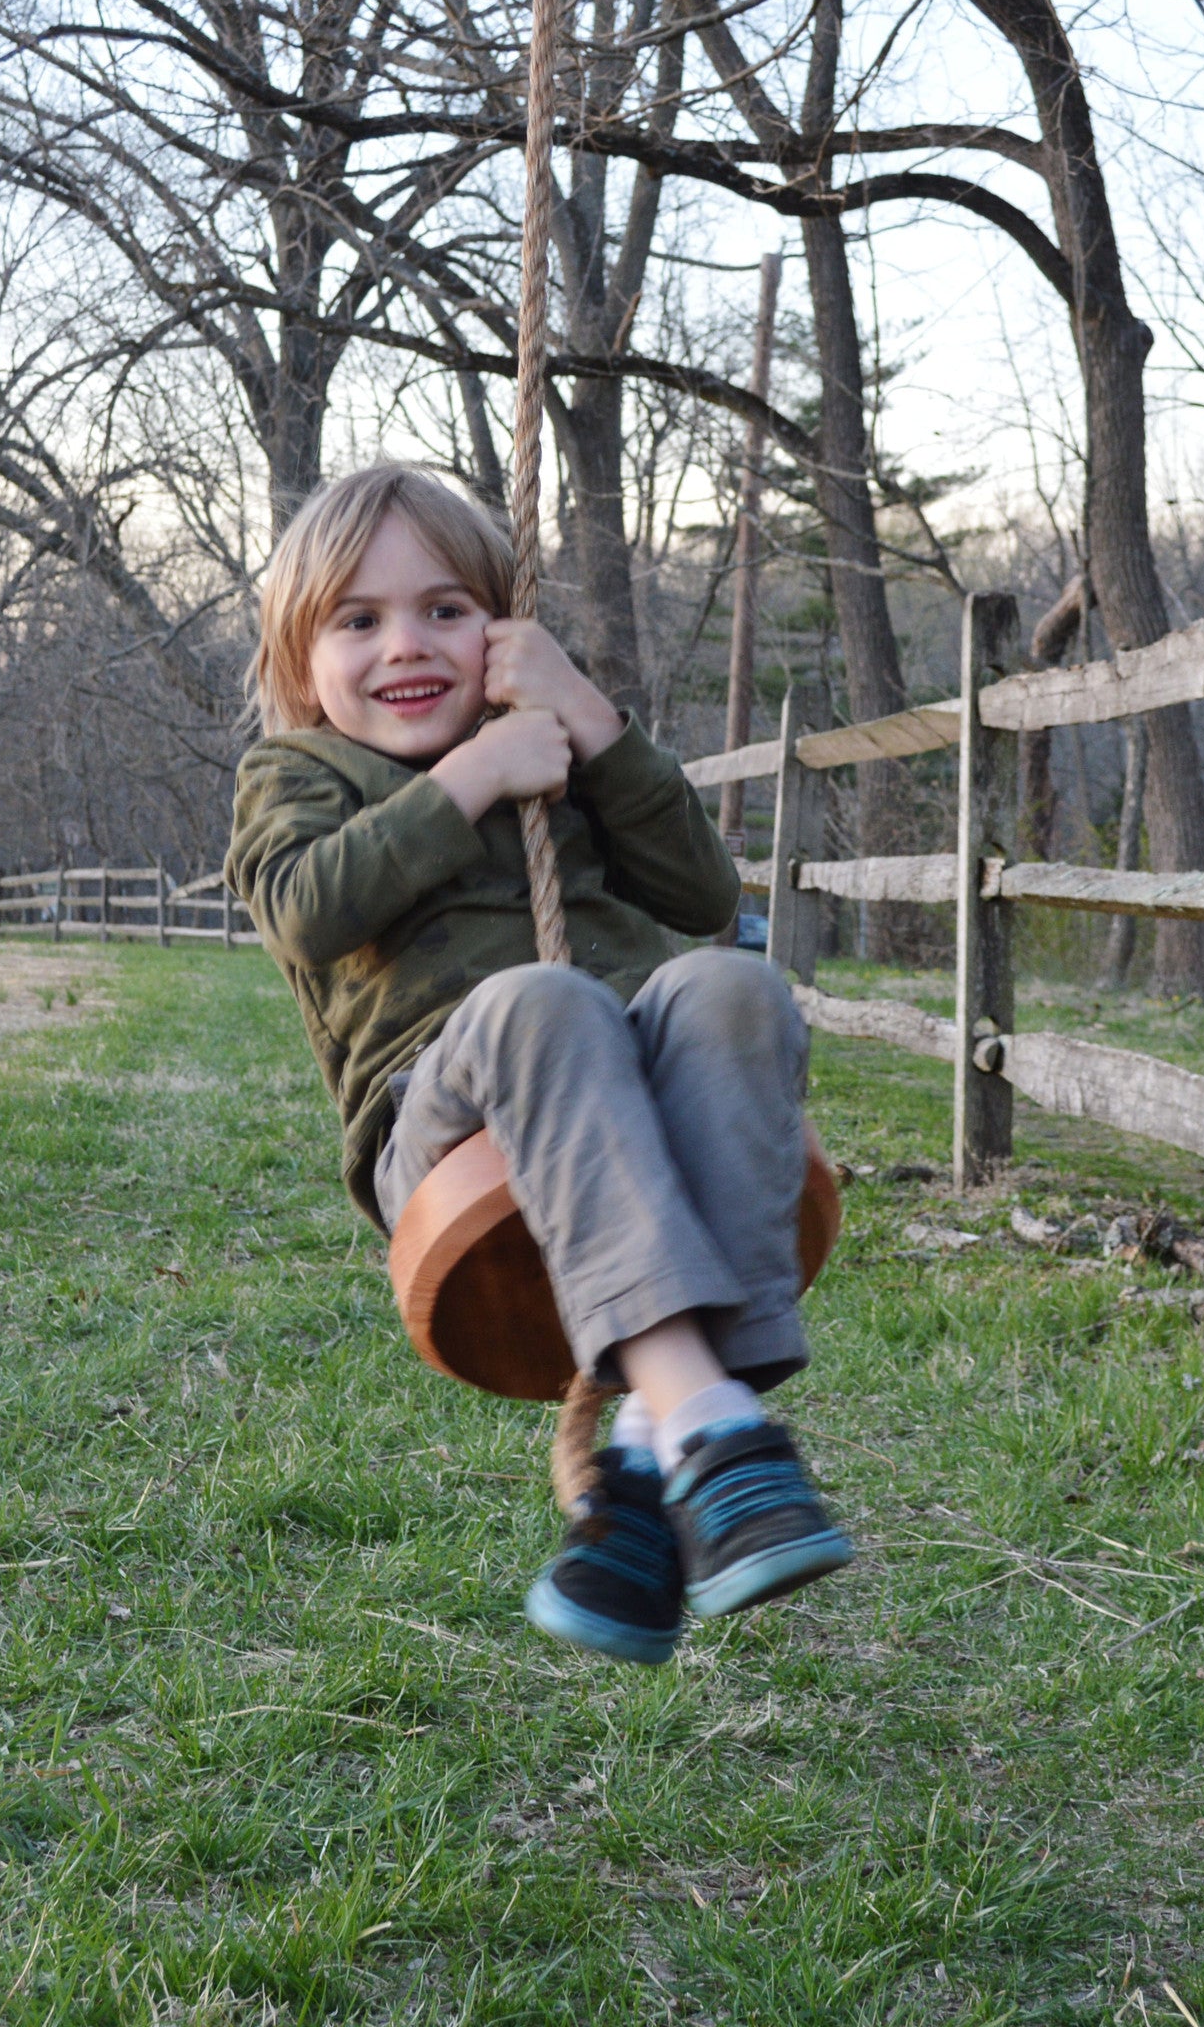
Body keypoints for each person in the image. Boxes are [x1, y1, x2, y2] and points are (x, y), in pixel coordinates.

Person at [227, 464, 850, 1665]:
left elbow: (704, 895)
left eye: (444, 609)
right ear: (301, 657)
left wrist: (585, 721)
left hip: (628, 1119)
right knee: (540, 1001)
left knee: (730, 983)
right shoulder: (296, 773)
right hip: (449, 1139)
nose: (405, 643)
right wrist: (472, 780)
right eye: (357, 619)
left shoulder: (558, 748)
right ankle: (708, 1414)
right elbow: (305, 909)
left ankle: (639, 1482)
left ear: (501, 630)